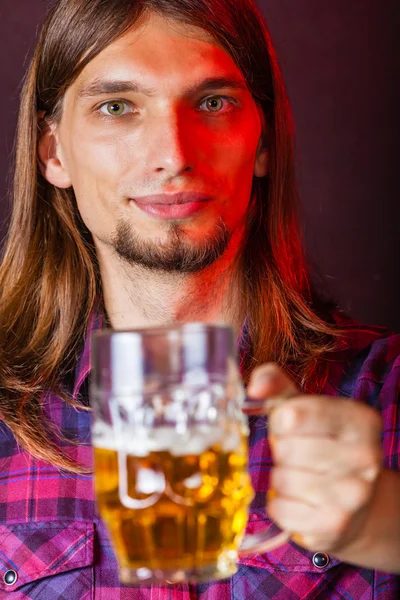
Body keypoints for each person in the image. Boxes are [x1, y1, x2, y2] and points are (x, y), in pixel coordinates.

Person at [0, 0, 399, 597]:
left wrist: (385, 526)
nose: (175, 154)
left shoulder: (385, 390)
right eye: (117, 107)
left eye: (213, 103)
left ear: (262, 142)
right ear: (54, 153)